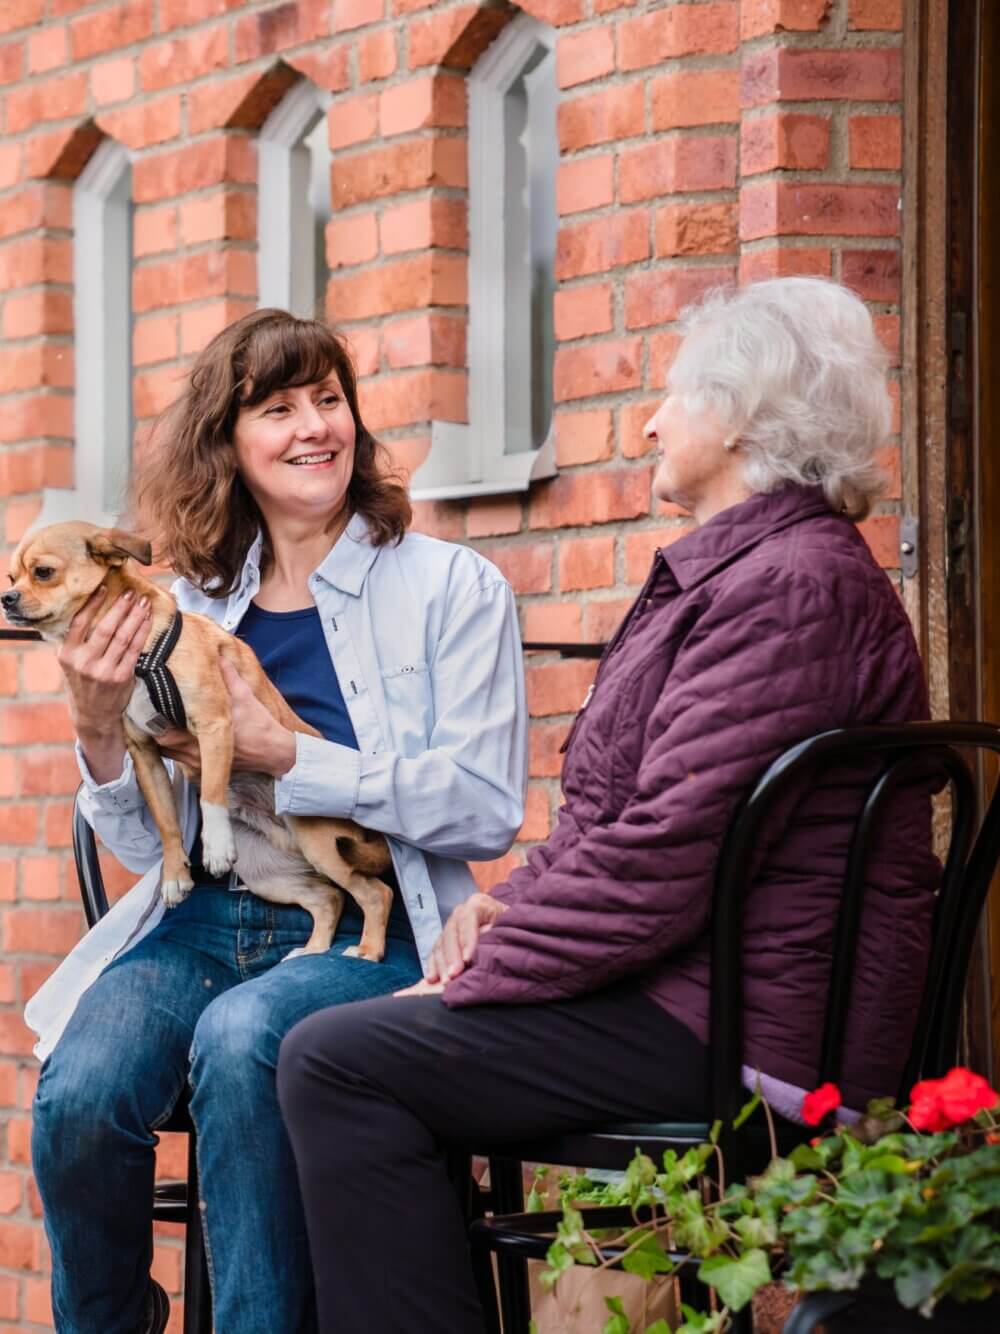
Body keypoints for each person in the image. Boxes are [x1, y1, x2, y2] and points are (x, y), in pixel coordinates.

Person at [276, 277, 940, 1334]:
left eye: (673, 395)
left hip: (743, 1029)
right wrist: (502, 910)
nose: (649, 419)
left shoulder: (787, 588)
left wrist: (487, 971)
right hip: (688, 991)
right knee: (344, 1043)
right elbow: (616, 820)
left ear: (737, 418)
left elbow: (667, 850)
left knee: (338, 1059)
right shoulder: (752, 573)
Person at [25, 309, 527, 1334]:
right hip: (206, 920)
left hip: (371, 930)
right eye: (277, 408)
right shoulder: (191, 603)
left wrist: (291, 753)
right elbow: (137, 844)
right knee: (80, 1087)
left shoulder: (449, 587)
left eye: (329, 399)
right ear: (229, 444)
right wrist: (95, 724)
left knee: (244, 1035)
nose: (314, 427)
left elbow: (483, 807)